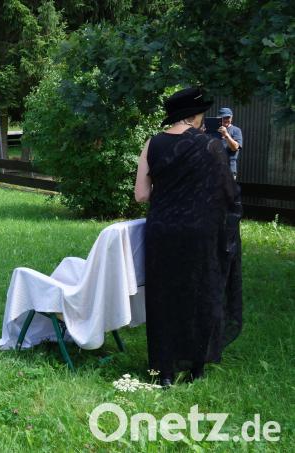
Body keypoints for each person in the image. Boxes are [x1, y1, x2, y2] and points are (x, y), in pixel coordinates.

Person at [134, 87, 242, 386]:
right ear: (195, 116)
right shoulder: (212, 146)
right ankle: (196, 367)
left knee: (163, 297)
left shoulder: (152, 143)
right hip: (200, 232)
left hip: (163, 231)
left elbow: (141, 195)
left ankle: (165, 371)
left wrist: (169, 192)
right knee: (201, 293)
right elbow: (227, 192)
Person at [217, 107, 243, 179]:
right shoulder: (212, 130)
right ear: (218, 118)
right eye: (223, 118)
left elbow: (235, 148)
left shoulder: (236, 130)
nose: (226, 120)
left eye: (228, 117)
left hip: (229, 169)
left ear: (231, 118)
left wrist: (226, 135)